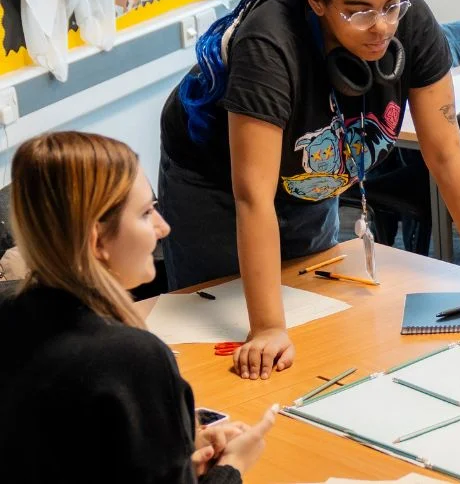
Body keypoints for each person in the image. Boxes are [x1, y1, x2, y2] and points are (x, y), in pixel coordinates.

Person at [158, 0, 460, 382]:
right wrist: (267, 328)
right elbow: (252, 196)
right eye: (359, 10)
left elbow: (444, 153)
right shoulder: (269, 44)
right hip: (218, 189)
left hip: (308, 181)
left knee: (318, 321)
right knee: (225, 342)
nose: (381, 26)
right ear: (317, 0)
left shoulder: (411, 23)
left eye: (390, 5)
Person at [0, 132, 275, 483]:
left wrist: (176, 452)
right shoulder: (131, 358)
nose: (164, 227)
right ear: (97, 240)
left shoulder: (12, 320)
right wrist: (231, 468)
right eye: (146, 213)